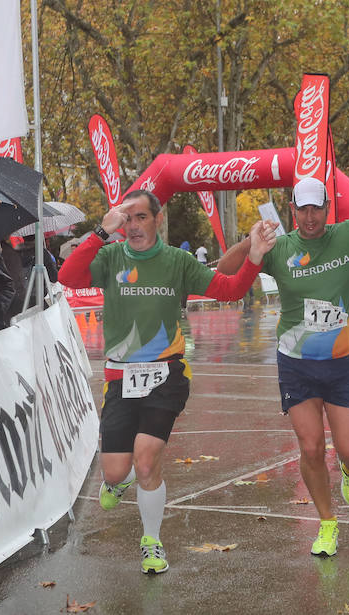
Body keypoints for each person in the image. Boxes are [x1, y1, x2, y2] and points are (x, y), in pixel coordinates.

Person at [58, 189, 276, 574]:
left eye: (141, 217)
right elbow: (68, 276)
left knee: (146, 462)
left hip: (165, 374)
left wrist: (254, 256)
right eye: (128, 219)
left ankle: (152, 541)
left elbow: (229, 289)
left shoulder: (177, 261)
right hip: (120, 377)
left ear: (158, 220)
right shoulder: (110, 256)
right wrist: (99, 233)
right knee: (115, 471)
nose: (135, 225)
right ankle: (117, 481)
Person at [217, 164, 349, 557]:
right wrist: (249, 243)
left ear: (328, 210)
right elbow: (223, 274)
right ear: (292, 211)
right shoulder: (280, 247)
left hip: (341, 364)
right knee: (309, 449)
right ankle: (327, 523)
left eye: (316, 210)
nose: (309, 218)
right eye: (302, 210)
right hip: (297, 364)